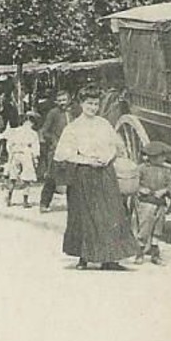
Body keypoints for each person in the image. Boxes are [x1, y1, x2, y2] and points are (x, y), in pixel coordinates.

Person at [52, 85, 135, 270]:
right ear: (81, 104)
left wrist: (107, 157)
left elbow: (116, 145)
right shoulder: (73, 127)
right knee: (84, 216)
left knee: (110, 214)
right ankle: (84, 258)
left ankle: (110, 259)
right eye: (89, 104)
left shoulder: (103, 124)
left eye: (96, 104)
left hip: (105, 173)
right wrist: (86, 160)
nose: (93, 108)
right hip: (83, 175)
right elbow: (61, 154)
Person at [132, 140, 171, 265]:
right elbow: (134, 183)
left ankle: (155, 255)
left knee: (158, 229)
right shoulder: (142, 169)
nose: (164, 159)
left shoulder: (166, 170)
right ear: (153, 157)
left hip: (160, 202)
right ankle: (140, 253)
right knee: (144, 229)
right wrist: (141, 189)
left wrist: (164, 191)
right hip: (146, 203)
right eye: (161, 156)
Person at [37, 90, 74, 212]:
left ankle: (73, 205)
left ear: (69, 100)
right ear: (56, 102)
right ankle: (44, 204)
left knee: (73, 177)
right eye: (60, 101)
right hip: (57, 149)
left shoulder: (74, 111)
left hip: (72, 148)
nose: (62, 103)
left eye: (64, 100)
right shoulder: (53, 113)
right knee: (52, 177)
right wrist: (54, 140)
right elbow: (45, 130)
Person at [1, 112, 41, 208]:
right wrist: (35, 158)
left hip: (17, 153)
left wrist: (10, 153)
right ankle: (24, 201)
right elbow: (35, 147)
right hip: (25, 154)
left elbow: (9, 144)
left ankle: (10, 198)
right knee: (26, 178)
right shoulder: (32, 133)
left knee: (13, 177)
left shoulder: (15, 131)